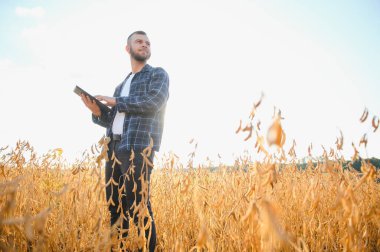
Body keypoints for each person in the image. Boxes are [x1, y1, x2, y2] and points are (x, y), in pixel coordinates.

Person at [81, 30, 169, 251]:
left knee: (139, 208)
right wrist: (98, 112)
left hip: (138, 148)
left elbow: (153, 102)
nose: (145, 45)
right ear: (127, 49)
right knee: (115, 209)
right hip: (113, 147)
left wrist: (116, 101)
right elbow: (114, 118)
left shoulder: (157, 74)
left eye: (147, 42)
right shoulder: (122, 85)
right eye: (139, 42)